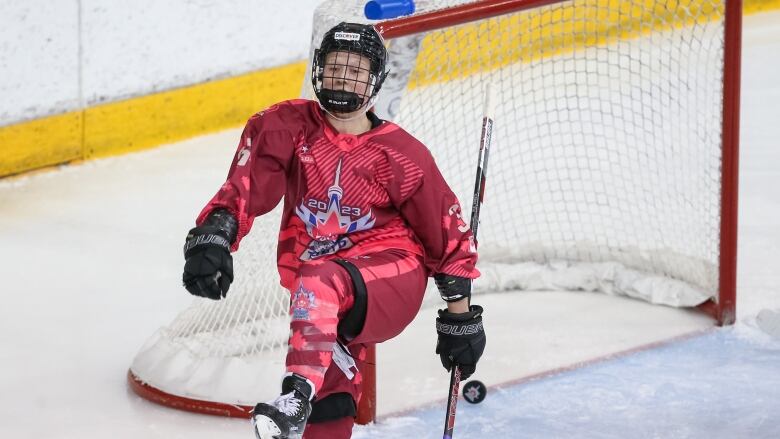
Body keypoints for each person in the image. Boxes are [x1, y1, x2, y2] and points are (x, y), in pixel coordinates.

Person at [181, 22, 486, 439]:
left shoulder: (402, 155)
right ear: (317, 71)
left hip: (391, 279)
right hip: (320, 287)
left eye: (356, 70)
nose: (343, 77)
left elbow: (446, 238)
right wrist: (215, 235)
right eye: (334, 66)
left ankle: (294, 396)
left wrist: (461, 320)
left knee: (318, 279)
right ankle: (313, 403)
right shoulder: (285, 126)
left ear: (376, 80)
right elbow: (245, 187)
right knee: (331, 404)